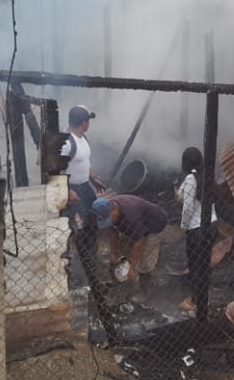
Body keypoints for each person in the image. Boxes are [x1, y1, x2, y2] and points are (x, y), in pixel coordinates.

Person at [59, 105, 105, 282]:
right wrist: (67, 190)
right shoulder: (65, 143)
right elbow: (55, 170)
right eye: (88, 120)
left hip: (85, 186)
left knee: (91, 222)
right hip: (71, 189)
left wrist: (93, 178)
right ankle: (69, 266)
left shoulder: (83, 138)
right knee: (73, 228)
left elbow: (85, 162)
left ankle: (90, 259)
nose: (89, 124)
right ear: (83, 123)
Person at [175, 147, 221, 315]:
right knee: (203, 262)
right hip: (212, 224)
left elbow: (187, 208)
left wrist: (183, 226)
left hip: (197, 228)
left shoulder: (190, 179)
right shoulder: (207, 176)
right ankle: (202, 295)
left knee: (196, 266)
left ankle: (195, 301)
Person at [92, 194, 168, 285]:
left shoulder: (130, 216)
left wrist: (132, 268)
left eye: (109, 218)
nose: (109, 221)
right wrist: (112, 253)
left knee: (145, 257)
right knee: (125, 246)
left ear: (114, 209)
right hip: (139, 224)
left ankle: (145, 280)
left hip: (156, 224)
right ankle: (132, 264)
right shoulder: (108, 207)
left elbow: (139, 243)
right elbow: (113, 230)